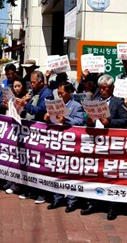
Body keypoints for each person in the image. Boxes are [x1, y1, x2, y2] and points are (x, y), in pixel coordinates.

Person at [81, 74, 127, 220]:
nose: (102, 91)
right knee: (95, 173)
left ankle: (112, 206)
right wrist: (89, 121)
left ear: (112, 88)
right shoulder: (94, 101)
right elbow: (88, 121)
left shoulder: (117, 102)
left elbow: (124, 121)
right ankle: (93, 202)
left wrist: (110, 122)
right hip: (95, 143)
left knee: (111, 175)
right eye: (101, 88)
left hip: (111, 144)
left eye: (105, 88)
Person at [44, 81, 84, 212]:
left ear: (69, 93)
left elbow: (79, 121)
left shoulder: (76, 106)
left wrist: (65, 119)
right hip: (57, 141)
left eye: (62, 94)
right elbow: (50, 119)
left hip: (70, 143)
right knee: (56, 170)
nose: (60, 96)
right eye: (58, 94)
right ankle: (57, 198)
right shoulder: (55, 104)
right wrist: (47, 117)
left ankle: (72, 201)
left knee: (70, 172)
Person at [17, 71, 53, 203]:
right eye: (31, 83)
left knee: (40, 163)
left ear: (41, 82)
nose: (31, 85)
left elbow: (42, 111)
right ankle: (32, 190)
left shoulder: (47, 94)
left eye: (33, 82)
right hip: (30, 132)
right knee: (31, 162)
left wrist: (27, 105)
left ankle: (42, 193)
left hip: (41, 132)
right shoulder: (33, 93)